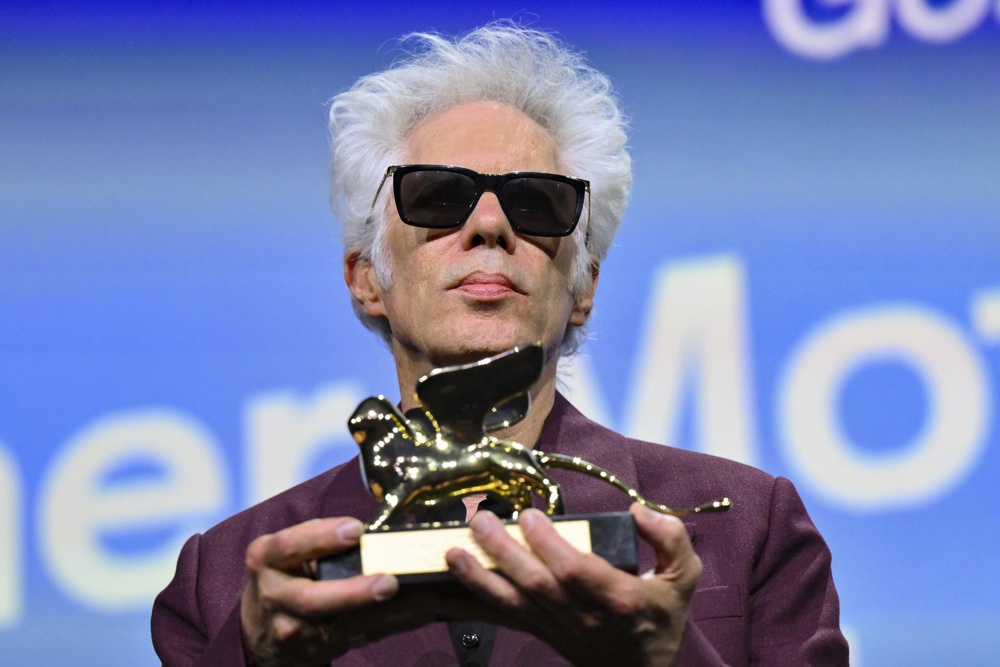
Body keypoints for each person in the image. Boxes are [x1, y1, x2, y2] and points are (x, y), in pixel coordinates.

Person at [151, 23, 849, 667]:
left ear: (584, 287)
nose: (490, 223)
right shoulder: (226, 578)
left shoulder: (748, 526)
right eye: (437, 196)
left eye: (537, 203)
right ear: (366, 278)